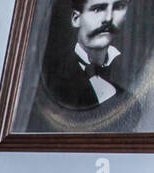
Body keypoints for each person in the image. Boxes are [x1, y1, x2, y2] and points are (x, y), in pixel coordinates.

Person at [30, 0, 141, 132]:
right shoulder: (51, 74)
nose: (108, 18)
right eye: (97, 9)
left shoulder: (129, 73)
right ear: (76, 18)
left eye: (118, 7)